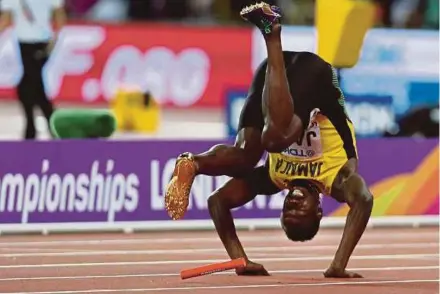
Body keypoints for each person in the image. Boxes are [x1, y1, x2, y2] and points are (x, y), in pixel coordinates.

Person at [165, 2, 374, 278]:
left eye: (287, 213)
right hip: (316, 77)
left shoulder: (276, 178)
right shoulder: (336, 178)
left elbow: (218, 201)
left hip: (273, 75)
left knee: (246, 155)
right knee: (274, 139)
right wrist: (338, 265)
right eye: (301, 213)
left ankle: (193, 163)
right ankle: (271, 32)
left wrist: (240, 259)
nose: (293, 206)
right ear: (319, 210)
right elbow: (364, 199)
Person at [0, 0, 67, 139]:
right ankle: (50, 127)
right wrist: (55, 38)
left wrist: (55, 38)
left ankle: (33, 129)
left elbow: (6, 18)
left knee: (26, 86)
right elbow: (60, 15)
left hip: (37, 42)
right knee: (34, 86)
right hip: (32, 42)